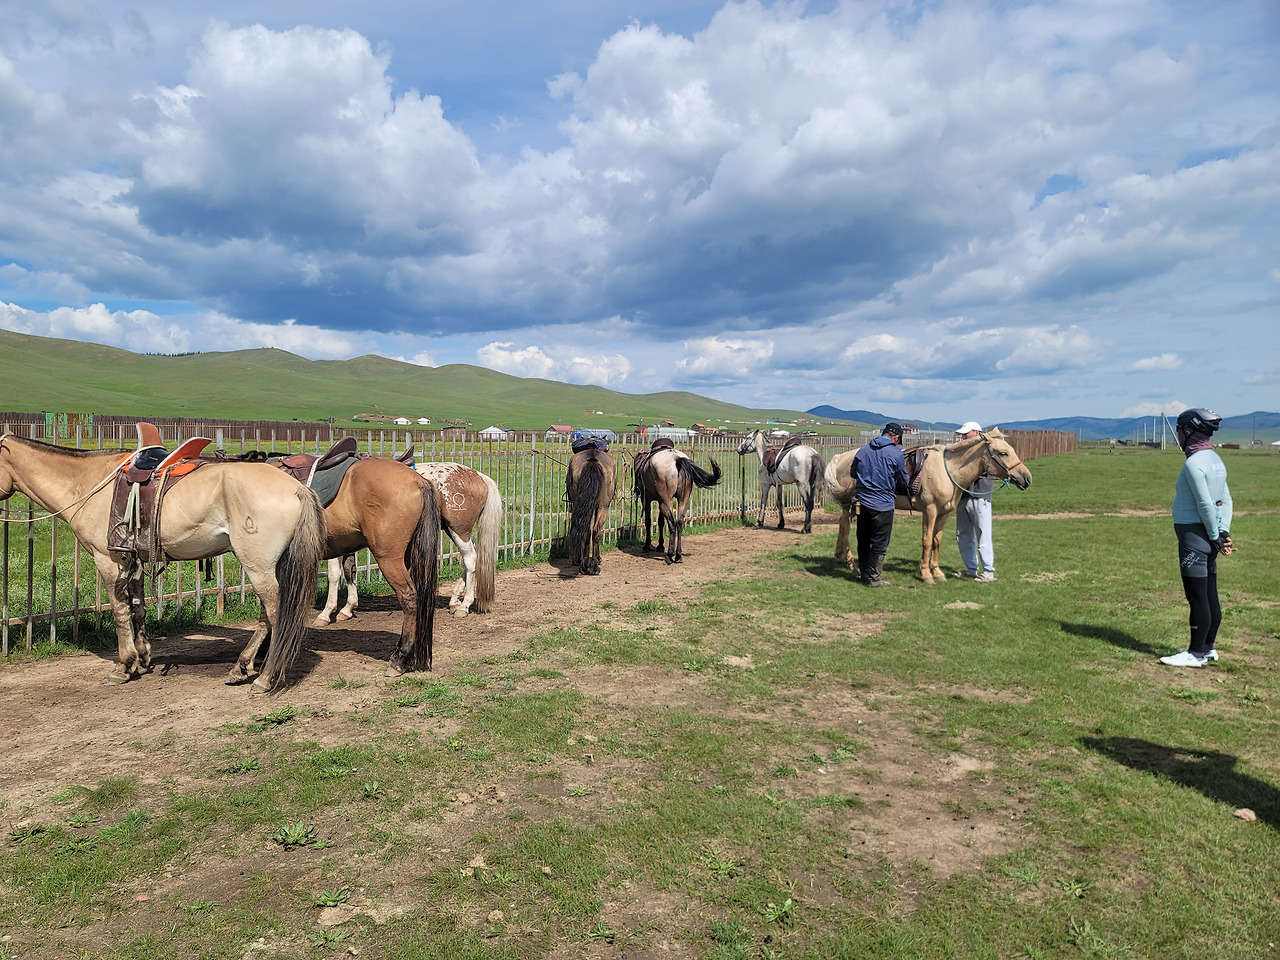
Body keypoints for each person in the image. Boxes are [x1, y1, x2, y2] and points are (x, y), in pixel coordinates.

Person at [1160, 408, 1234, 668]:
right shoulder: (1214, 459)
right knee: (1210, 593)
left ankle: (1195, 654)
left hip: (1194, 536)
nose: (1178, 435)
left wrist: (1215, 534)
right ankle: (1208, 647)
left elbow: (1205, 503)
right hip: (1209, 536)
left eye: (1179, 431)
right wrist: (1222, 532)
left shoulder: (1193, 463)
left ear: (1189, 431)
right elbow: (1225, 499)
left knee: (1197, 597)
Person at [851, 422, 908, 587]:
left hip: (862, 502)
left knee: (863, 539)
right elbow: (903, 481)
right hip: (883, 504)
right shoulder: (896, 454)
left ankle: (864, 573)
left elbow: (853, 473)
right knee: (879, 542)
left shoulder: (863, 451)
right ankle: (874, 578)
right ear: (896, 437)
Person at [951, 421, 997, 582]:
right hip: (963, 496)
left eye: (966, 433)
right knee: (963, 534)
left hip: (980, 495)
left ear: (976, 433)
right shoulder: (964, 450)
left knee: (983, 534)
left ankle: (989, 572)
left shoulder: (987, 449)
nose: (963, 436)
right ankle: (971, 569)